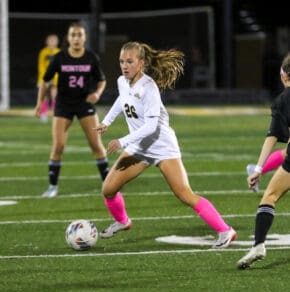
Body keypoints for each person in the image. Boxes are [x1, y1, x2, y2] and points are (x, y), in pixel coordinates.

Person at [95, 41, 236, 248]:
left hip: (162, 146)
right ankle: (122, 221)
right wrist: (106, 122)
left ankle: (226, 231)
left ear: (141, 63)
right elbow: (121, 99)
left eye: (129, 61)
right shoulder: (122, 81)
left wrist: (122, 141)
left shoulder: (148, 87)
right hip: (139, 146)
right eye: (121, 61)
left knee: (184, 194)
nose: (124, 66)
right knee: (108, 189)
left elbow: (151, 126)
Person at [34, 22, 109, 198]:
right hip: (63, 105)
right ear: (68, 38)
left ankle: (109, 185)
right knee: (58, 146)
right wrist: (39, 103)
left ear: (85, 37)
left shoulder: (91, 57)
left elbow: (102, 80)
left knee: (96, 145)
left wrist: (97, 93)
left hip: (84, 104)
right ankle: (52, 187)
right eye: (73, 35)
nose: (76, 38)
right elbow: (45, 81)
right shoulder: (59, 58)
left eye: (79, 35)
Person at [237, 52, 290, 269]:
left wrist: (258, 168)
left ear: (284, 75)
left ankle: (259, 245)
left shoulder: (283, 100)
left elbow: (272, 136)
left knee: (270, 195)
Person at [37, 34, 60, 123]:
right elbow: (41, 66)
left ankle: (55, 114)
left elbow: (60, 66)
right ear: (46, 42)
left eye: (54, 41)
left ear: (57, 42)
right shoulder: (43, 52)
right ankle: (43, 114)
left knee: (55, 95)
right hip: (45, 77)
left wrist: (57, 77)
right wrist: (42, 79)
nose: (52, 43)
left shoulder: (58, 52)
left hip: (56, 77)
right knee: (45, 96)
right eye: (50, 41)